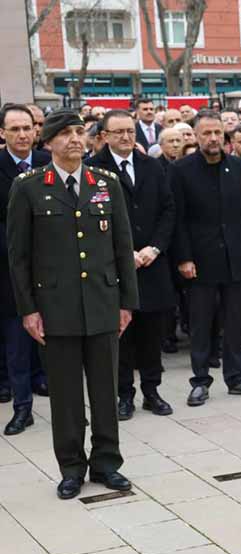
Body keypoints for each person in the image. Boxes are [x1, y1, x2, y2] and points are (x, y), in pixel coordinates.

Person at [6, 110, 139, 499]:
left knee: (104, 390)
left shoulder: (105, 183)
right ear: (47, 143)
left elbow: (121, 245)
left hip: (102, 302)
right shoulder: (29, 187)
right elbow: (19, 256)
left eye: (80, 132)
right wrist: (28, 309)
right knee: (65, 396)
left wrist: (127, 302)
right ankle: (70, 467)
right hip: (55, 308)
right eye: (64, 134)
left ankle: (106, 463)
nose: (75, 139)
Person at [169, 110, 241, 406]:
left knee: (237, 319)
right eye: (206, 134)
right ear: (197, 137)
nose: (213, 139)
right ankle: (200, 379)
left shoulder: (238, 167)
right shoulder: (181, 170)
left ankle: (237, 376)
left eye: (217, 134)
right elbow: (178, 219)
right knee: (201, 322)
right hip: (200, 259)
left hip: (237, 256)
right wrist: (184, 258)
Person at [87, 110, 177, 420]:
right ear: (105, 136)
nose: (126, 137)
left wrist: (154, 248)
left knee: (152, 333)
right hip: (115, 266)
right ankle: (124, 393)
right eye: (119, 132)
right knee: (121, 333)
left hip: (151, 263)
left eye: (130, 131)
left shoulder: (150, 166)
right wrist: (125, 253)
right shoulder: (93, 169)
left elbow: (168, 209)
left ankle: (152, 391)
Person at [0, 104, 51, 436]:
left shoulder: (50, 163)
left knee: (53, 338)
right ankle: (22, 407)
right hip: (8, 269)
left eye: (27, 128)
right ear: (2, 133)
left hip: (51, 268)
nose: (22, 134)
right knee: (17, 340)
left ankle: (46, 382)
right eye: (14, 129)